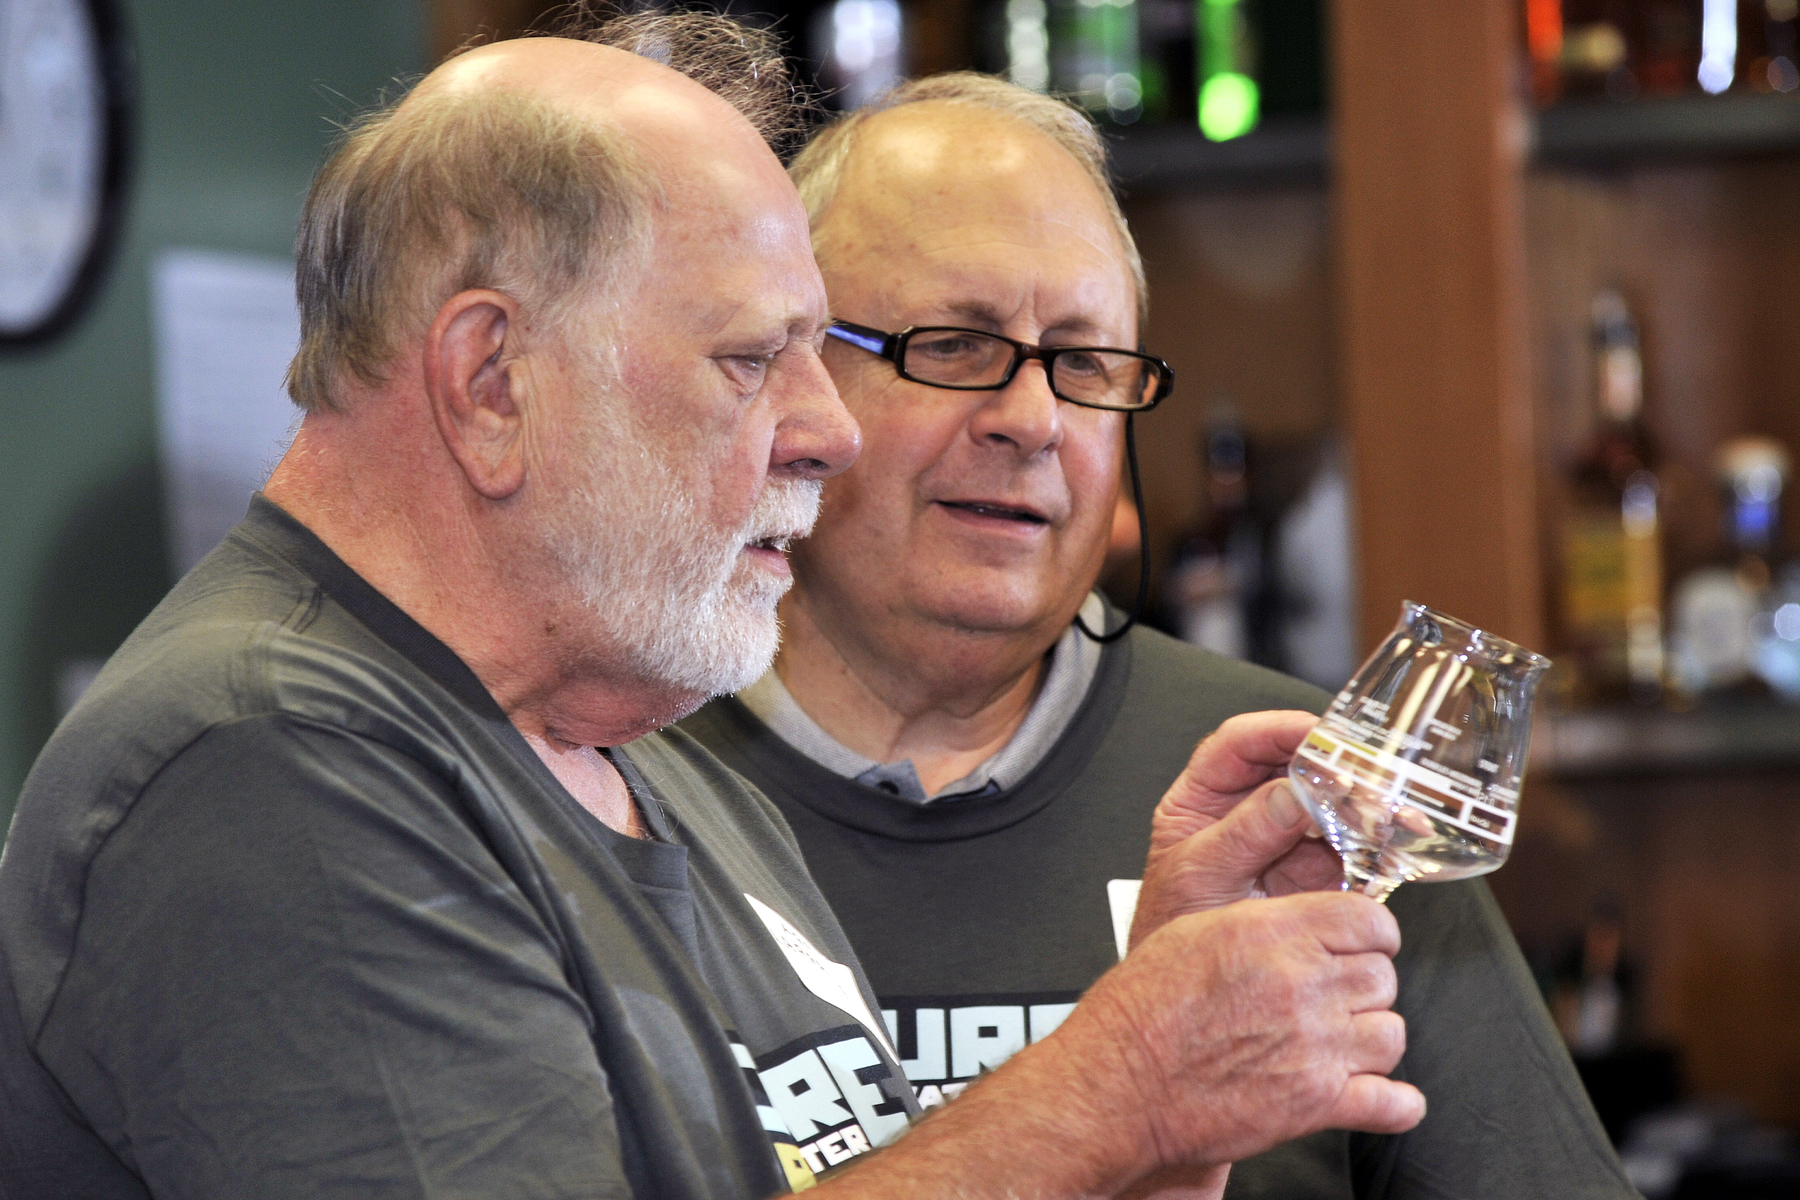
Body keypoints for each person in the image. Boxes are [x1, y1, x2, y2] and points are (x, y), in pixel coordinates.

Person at [0, 16, 1424, 1199]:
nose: (831, 431)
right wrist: (1114, 1086)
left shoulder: (655, 766)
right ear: (491, 380)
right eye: (754, 361)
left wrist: (1171, 1127)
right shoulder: (267, 767)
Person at [679, 74, 1637, 1199]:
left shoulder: (1315, 808)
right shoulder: (593, 777)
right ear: (787, 373)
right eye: (952, 345)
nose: (1033, 421)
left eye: (1084, 366)